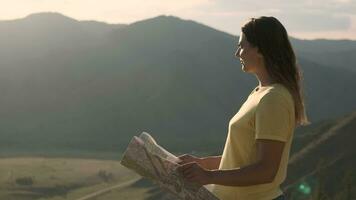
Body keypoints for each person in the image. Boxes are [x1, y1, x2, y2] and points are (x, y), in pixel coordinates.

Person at [176, 16, 310, 200]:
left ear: (260, 49)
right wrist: (204, 163)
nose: (237, 53)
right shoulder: (260, 93)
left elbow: (266, 170)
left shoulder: (274, 98)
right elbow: (243, 157)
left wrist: (209, 176)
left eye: (242, 46)